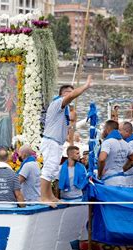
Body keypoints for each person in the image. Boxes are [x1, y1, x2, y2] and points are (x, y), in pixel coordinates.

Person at [40, 75, 92, 206]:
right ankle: (43, 197)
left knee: (52, 171)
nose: (71, 95)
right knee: (49, 168)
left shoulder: (65, 110)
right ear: (63, 94)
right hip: (51, 141)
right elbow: (70, 96)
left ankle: (50, 196)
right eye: (69, 93)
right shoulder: (58, 102)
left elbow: (70, 128)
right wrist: (85, 86)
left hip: (57, 143)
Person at [98, 120, 133, 187]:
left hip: (110, 180)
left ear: (107, 129)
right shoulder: (125, 143)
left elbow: (102, 159)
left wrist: (99, 174)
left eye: (104, 129)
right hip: (122, 179)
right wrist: (123, 169)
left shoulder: (107, 142)